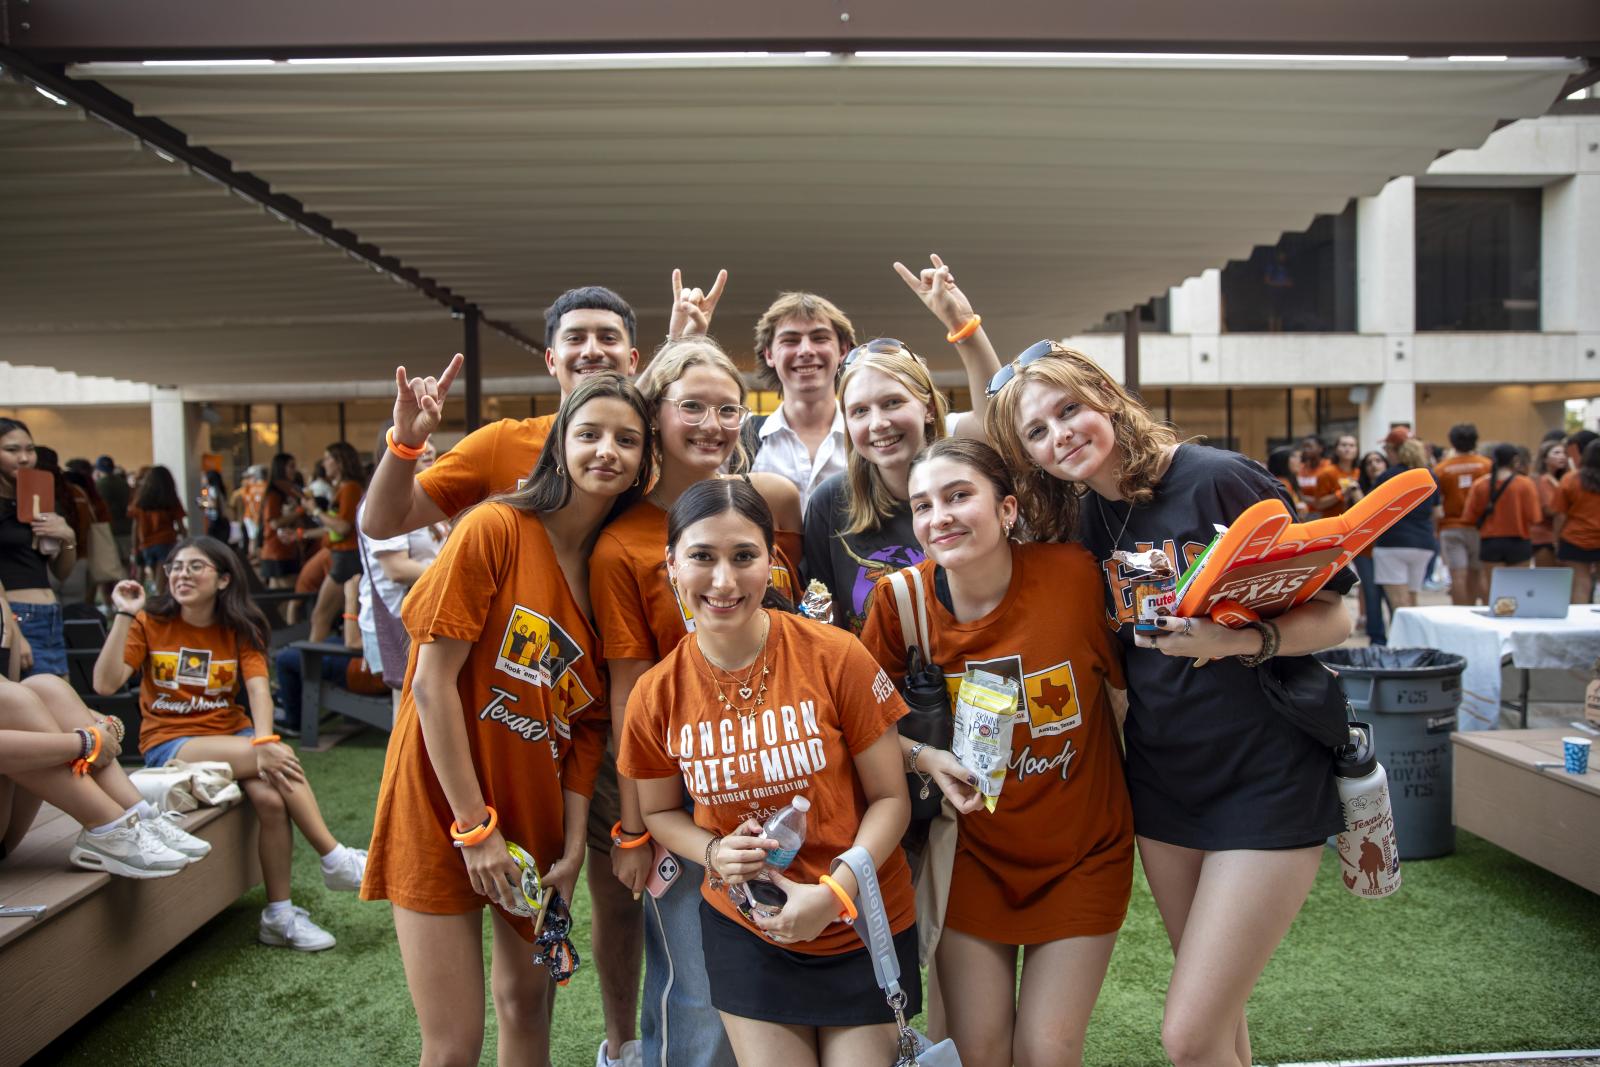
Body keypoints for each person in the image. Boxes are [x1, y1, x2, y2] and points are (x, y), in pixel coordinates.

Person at [984, 342, 1358, 1067]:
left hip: (1267, 771)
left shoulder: (1217, 479)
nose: (1060, 434)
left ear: (1104, 395)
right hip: (1163, 784)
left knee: (1188, 1033)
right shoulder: (1080, 526)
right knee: (1218, 1024)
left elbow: (1338, 615)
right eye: (1036, 431)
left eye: (1069, 409)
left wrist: (1233, 641)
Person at [361, 374, 652, 1067]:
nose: (606, 450)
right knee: (453, 1045)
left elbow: (585, 732)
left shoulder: (610, 568)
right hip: (442, 805)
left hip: (536, 816)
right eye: (589, 433)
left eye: (627, 439)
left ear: (646, 460)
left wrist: (576, 842)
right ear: (558, 445)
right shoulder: (495, 527)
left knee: (527, 1010)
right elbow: (430, 684)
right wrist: (473, 826)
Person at [617, 479, 917, 1067]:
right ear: (672, 564)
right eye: (702, 557)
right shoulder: (655, 694)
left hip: (857, 919)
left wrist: (835, 893)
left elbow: (891, 801)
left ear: (773, 563)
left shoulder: (835, 656)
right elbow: (656, 812)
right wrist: (713, 851)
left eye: (743, 557)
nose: (724, 581)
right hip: (746, 930)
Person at [859, 438, 1132, 1067]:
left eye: (959, 496)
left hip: (1082, 852)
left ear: (1007, 510)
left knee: (1046, 1050)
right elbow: (859, 731)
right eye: (923, 505)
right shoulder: (900, 603)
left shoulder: (1074, 576)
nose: (940, 516)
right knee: (980, 1052)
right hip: (970, 858)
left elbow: (1131, 691)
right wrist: (924, 759)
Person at [589, 337, 801, 1067]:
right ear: (656, 412)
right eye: (692, 407)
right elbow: (632, 694)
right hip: (692, 797)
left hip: (794, 777)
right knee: (697, 992)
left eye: (728, 408)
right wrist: (636, 824)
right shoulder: (622, 542)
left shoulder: (771, 501)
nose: (713, 423)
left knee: (786, 979)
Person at [94, 536, 367, 950]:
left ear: (223, 579)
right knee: (279, 756)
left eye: (195, 567)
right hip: (171, 740)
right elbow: (104, 682)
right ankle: (334, 858)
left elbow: (259, 690)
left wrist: (263, 739)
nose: (182, 575)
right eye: (176, 567)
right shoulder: (150, 621)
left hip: (233, 735)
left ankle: (278, 916)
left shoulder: (241, 626)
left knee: (273, 801)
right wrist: (123, 615)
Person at [803, 255, 1000, 633]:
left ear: (927, 406)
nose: (879, 423)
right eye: (860, 411)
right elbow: (826, 620)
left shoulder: (967, 478)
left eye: (893, 402)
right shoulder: (830, 503)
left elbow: (999, 419)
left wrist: (963, 326)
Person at [744, 291, 858, 511]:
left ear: (843, 350)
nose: (806, 350)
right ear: (769, 355)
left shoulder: (870, 435)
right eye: (790, 340)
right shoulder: (740, 438)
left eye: (820, 338)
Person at [0, 418, 79, 679]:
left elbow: (61, 572)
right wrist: (13, 630)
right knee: (36, 711)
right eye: (12, 450)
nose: (24, 458)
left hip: (51, 615)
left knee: (62, 706)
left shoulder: (38, 499)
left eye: (30, 449)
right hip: (15, 616)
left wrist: (67, 536)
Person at [1372, 438, 1444, 611]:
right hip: (1423, 542)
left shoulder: (1388, 476)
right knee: (1412, 598)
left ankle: (1402, 638)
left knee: (1398, 602)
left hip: (1392, 542)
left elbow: (1372, 509)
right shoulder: (1429, 476)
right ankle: (1413, 637)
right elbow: (1438, 513)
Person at [307, 442, 365, 643]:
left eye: (328, 458)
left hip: (347, 557)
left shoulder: (350, 488)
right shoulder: (342, 487)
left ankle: (310, 666)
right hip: (341, 555)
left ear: (339, 462)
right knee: (334, 615)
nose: (324, 463)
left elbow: (342, 527)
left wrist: (315, 510)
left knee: (320, 615)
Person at [1461, 443, 1541, 585]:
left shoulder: (1480, 485)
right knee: (1518, 588)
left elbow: (1469, 517)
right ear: (1515, 461)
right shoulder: (1525, 484)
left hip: (1490, 542)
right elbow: (1534, 517)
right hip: (1519, 541)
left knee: (1495, 588)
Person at [1435, 423, 1492, 606]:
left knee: (1457, 575)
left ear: (1452, 442)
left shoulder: (1442, 469)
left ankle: (1460, 614)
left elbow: (1436, 501)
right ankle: (1480, 612)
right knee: (1478, 572)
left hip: (1451, 527)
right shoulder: (1487, 466)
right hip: (1480, 527)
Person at [1553, 439, 1600, 605]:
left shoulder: (1570, 479)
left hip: (1575, 538)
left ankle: (1580, 625)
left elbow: (1560, 515)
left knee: (1580, 584)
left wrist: (1556, 540)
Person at [127, 465, 187, 592]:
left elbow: (135, 528)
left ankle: (154, 601)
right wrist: (188, 542)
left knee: (154, 577)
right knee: (163, 579)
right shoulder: (171, 500)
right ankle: (159, 603)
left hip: (146, 544)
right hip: (166, 541)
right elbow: (181, 526)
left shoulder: (140, 501)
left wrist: (135, 548)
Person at [1355, 450, 1393, 644]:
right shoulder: (1356, 489)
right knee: (1371, 593)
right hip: (1365, 550)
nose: (1374, 465)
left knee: (1392, 594)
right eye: (1369, 462)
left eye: (1378, 460)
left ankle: (1397, 634)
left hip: (1389, 548)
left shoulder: (1391, 487)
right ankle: (1377, 638)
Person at [259, 453, 307, 590]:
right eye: (291, 466)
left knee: (281, 595)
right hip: (277, 551)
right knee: (287, 594)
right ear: (281, 468)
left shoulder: (290, 490)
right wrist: (300, 511)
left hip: (288, 549)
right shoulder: (274, 494)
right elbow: (274, 523)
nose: (294, 470)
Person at [1531, 439, 1568, 568]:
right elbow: (1550, 509)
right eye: (1556, 453)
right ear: (1545, 459)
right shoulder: (1543, 481)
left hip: (1559, 536)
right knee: (1548, 578)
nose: (1562, 456)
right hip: (1545, 537)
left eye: (1564, 453)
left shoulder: (1562, 479)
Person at [1294, 436, 1342, 518]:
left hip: (1325, 514)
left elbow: (1334, 494)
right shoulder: (1300, 468)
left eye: (1309, 446)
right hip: (1302, 514)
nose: (1305, 450)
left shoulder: (1329, 467)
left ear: (1320, 449)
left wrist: (1304, 498)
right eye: (1304, 447)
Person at [1264, 447, 1309, 518]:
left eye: (1299, 457)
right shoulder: (1281, 484)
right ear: (1282, 461)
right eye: (1294, 456)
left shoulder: (1289, 481)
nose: (1300, 461)